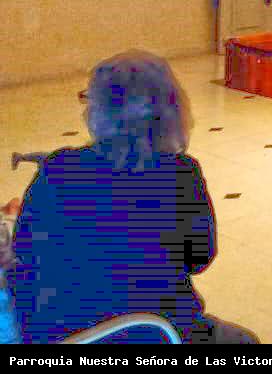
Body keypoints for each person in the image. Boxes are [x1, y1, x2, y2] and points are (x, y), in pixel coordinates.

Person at [8, 50, 258, 344]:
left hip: (61, 335)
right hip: (155, 333)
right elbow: (199, 258)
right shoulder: (181, 173)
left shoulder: (58, 168)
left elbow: (23, 248)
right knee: (244, 341)